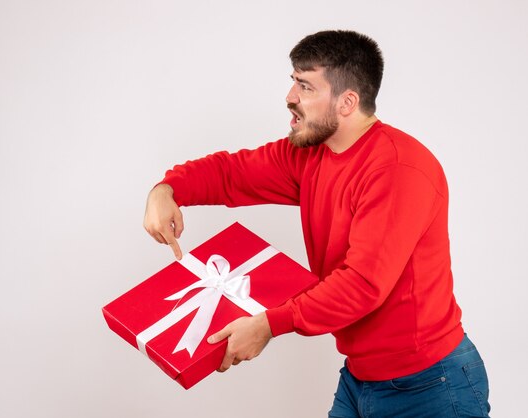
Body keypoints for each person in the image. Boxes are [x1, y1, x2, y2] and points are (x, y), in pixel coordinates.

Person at [143, 30, 491, 417]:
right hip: (360, 379)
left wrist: (268, 324)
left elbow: (362, 285)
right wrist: (166, 189)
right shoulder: (310, 155)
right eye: (293, 82)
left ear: (347, 102)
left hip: (429, 386)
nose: (290, 97)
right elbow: (232, 172)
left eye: (305, 86)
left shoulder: (397, 169)